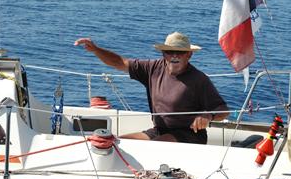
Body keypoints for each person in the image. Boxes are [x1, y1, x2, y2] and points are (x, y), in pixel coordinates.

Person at [74, 32, 229, 144]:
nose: (175, 55)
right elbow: (120, 63)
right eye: (170, 52)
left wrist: (208, 116)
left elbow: (223, 110)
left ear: (189, 55)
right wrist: (96, 49)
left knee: (153, 147)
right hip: (159, 130)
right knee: (116, 142)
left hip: (189, 135)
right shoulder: (153, 68)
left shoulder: (199, 79)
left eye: (180, 52)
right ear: (163, 53)